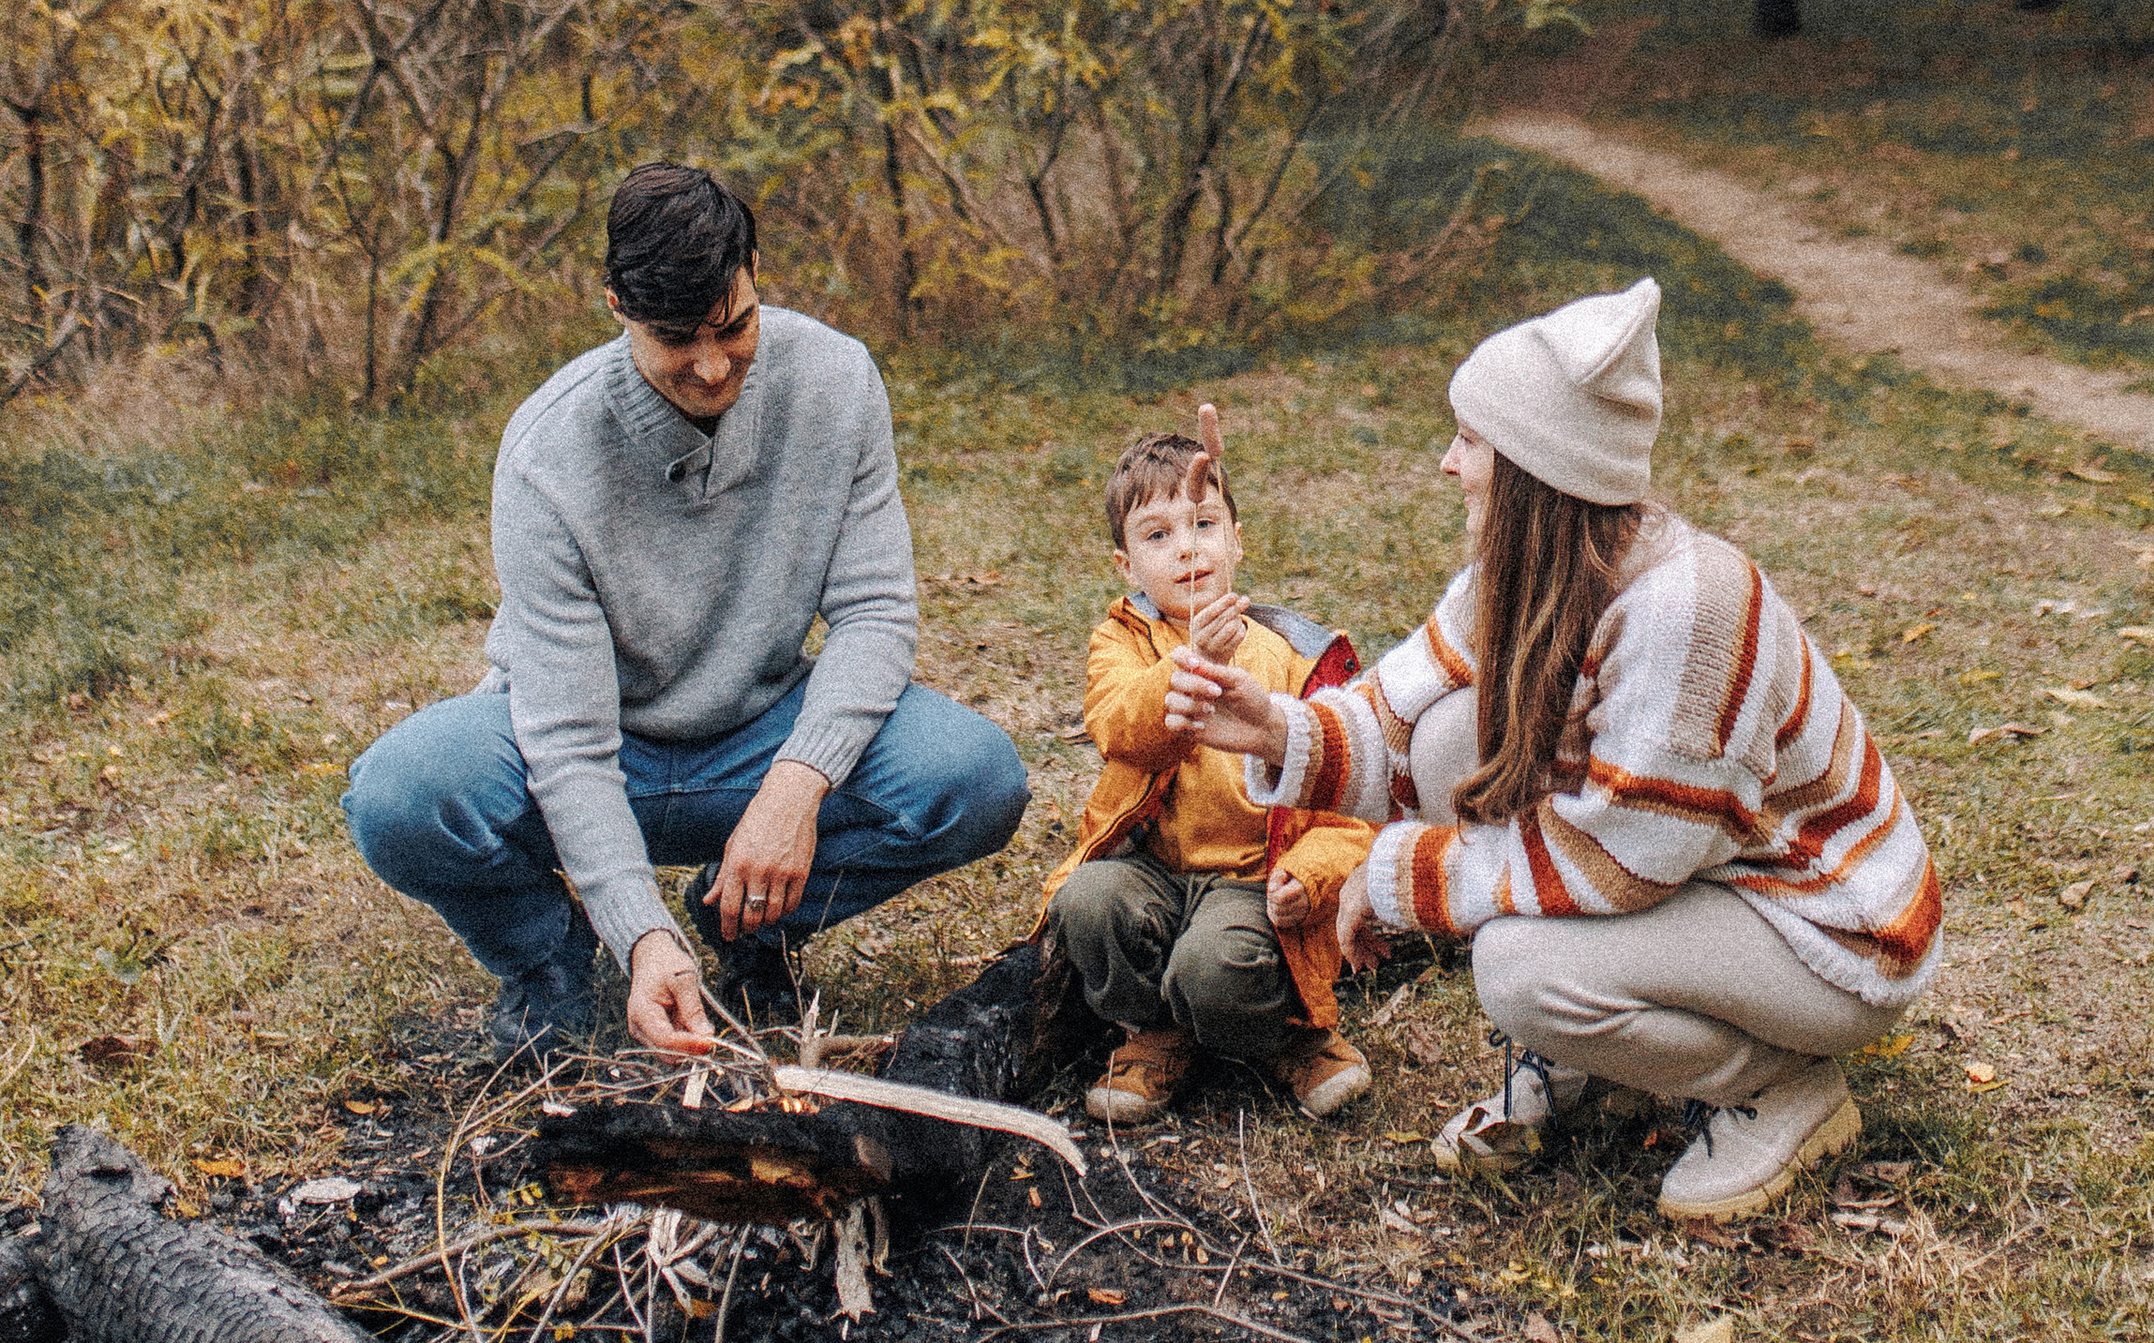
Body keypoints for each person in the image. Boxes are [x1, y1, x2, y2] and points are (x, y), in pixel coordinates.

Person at [1166, 277, 1943, 1227]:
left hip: (1825, 928)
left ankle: (1776, 1089)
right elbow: (1403, 716)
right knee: (1461, 732)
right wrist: (1278, 728)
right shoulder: (1522, 574)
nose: (1446, 464)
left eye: (1470, 441)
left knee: (1520, 970)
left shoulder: (1685, 611)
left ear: (1537, 466)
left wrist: (1397, 876)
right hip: (1698, 871)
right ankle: (1587, 1056)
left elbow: (1618, 861)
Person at [343, 165, 1029, 1059]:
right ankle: (555, 963)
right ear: (616, 305)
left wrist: (797, 787)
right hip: (594, 744)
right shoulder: (546, 453)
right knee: (400, 795)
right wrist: (639, 932)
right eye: (675, 338)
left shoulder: (837, 381)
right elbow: (566, 737)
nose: (712, 366)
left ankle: (749, 923)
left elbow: (875, 616)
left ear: (756, 275)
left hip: (759, 733)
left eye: (734, 327)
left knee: (976, 779)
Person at [1043, 419, 1376, 1128]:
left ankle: (1290, 1037)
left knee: (1215, 970)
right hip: (1156, 868)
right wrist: (1186, 664)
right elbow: (1120, 724)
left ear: (1237, 539)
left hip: (1252, 878)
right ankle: (1154, 1029)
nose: (1186, 547)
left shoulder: (1296, 659)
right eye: (1157, 535)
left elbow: (1347, 806)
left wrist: (1309, 876)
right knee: (1087, 902)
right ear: (1126, 565)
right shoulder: (1123, 642)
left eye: (1203, 523)